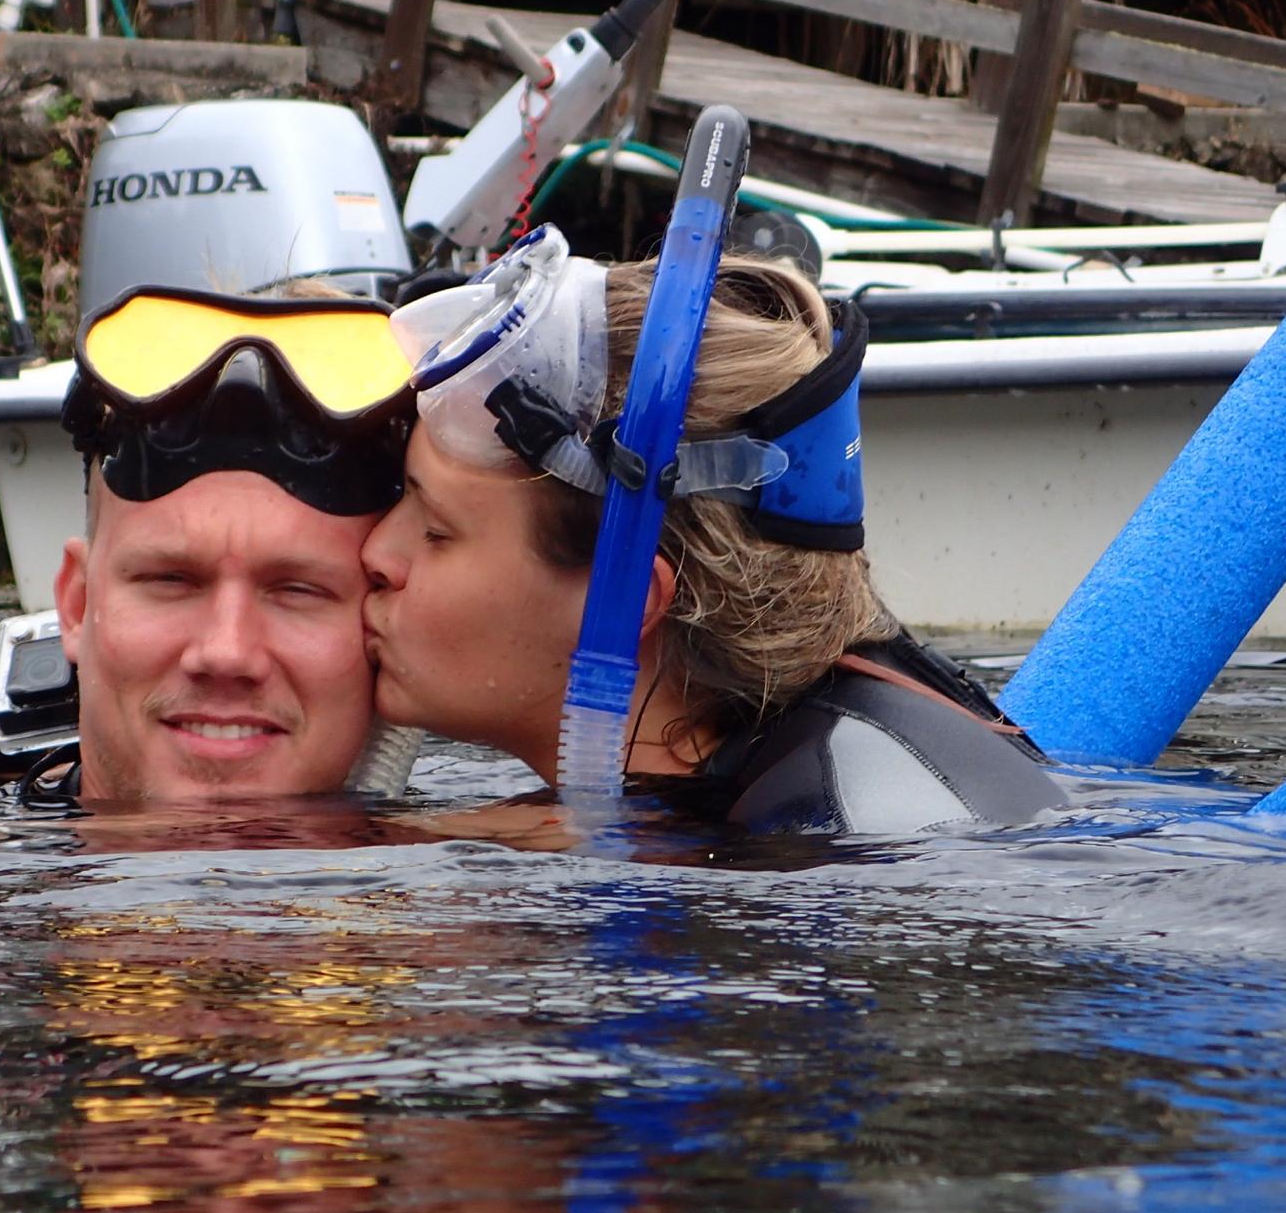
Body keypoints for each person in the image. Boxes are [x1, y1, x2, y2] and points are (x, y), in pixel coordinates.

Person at [362, 224, 1064, 832]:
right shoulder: (730, 799)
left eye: (436, 531)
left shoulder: (832, 842)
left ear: (628, 600)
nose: (374, 553)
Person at [0, 285, 416, 803]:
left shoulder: (490, 863)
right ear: (77, 603)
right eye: (171, 581)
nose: (226, 653)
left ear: (391, 625)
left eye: (299, 590)